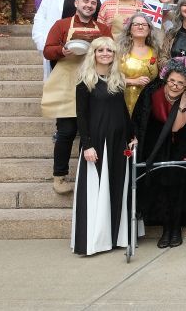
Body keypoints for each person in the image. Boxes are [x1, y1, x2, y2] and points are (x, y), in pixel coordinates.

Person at [41, 0, 112, 194]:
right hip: (67, 82)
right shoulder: (61, 25)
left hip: (95, 82)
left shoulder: (103, 28)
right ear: (76, 4)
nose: (89, 5)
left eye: (92, 3)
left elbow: (112, 50)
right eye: (85, 2)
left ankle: (91, 175)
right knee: (67, 131)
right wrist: (62, 51)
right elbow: (48, 50)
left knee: (95, 131)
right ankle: (60, 176)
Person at [130, 56, 186, 248]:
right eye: (172, 80)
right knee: (160, 185)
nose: (175, 85)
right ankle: (165, 229)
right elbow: (139, 116)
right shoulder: (151, 91)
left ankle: (176, 229)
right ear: (166, 77)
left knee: (178, 185)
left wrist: (183, 102)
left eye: (181, 83)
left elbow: (176, 127)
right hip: (155, 144)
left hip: (181, 144)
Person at [71, 36, 135, 256]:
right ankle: (95, 241)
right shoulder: (85, 80)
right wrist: (86, 144)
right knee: (96, 189)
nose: (105, 53)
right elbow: (81, 116)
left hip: (119, 143)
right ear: (94, 53)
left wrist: (131, 135)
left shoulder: (117, 79)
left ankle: (117, 236)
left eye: (109, 50)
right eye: (101, 50)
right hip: (97, 143)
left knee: (118, 185)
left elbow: (123, 112)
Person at [32, 0, 112, 79]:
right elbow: (41, 18)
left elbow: (109, 21)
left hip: (95, 55)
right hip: (63, 55)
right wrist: (43, 44)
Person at [116, 13, 161, 117]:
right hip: (123, 101)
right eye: (136, 24)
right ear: (129, 29)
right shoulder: (119, 51)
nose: (140, 27)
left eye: (144, 25)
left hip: (148, 103)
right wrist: (133, 81)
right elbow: (109, 78)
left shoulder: (155, 51)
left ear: (149, 30)